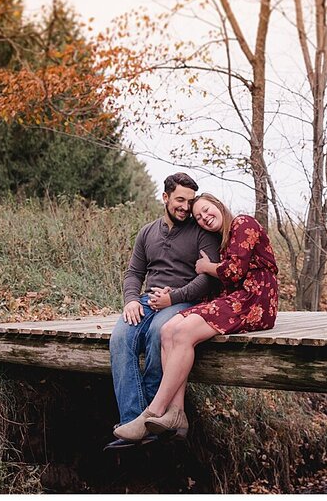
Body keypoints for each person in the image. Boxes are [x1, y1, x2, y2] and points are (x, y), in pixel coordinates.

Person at [112, 193, 278, 442]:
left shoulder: (243, 223)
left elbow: (233, 272)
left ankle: (154, 410)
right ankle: (176, 412)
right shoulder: (220, 238)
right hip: (231, 300)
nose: (204, 218)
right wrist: (173, 293)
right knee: (169, 329)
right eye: (198, 217)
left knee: (183, 331)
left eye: (207, 210)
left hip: (255, 300)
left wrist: (205, 267)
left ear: (219, 205)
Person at [106, 174, 221, 450]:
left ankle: (154, 423)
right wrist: (132, 299)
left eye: (190, 201)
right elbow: (134, 272)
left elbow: (207, 279)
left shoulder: (201, 232)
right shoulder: (147, 232)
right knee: (120, 339)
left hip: (184, 301)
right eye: (180, 199)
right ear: (166, 197)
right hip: (147, 301)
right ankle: (132, 422)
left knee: (159, 333)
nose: (185, 207)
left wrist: (173, 298)